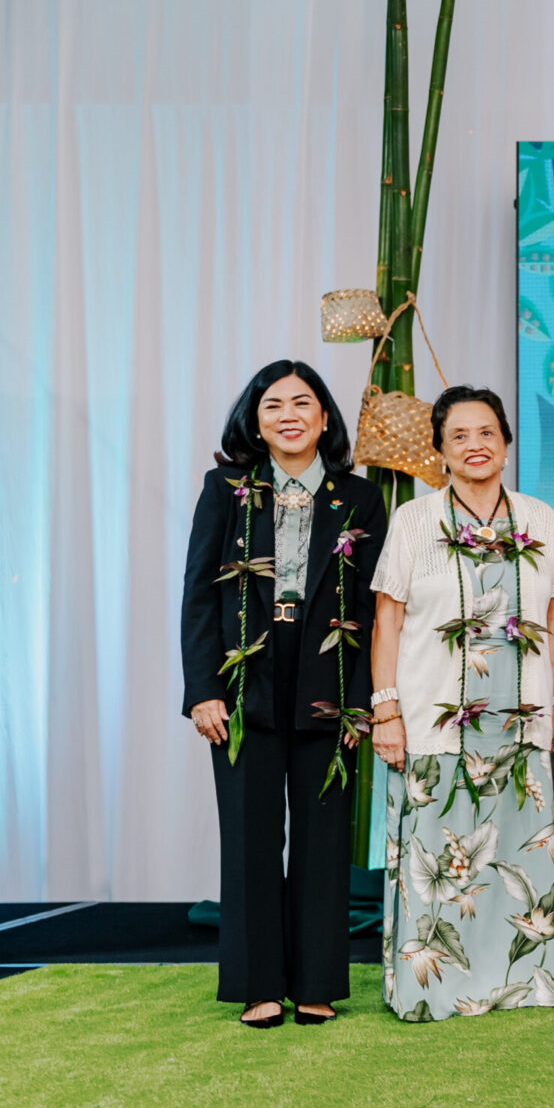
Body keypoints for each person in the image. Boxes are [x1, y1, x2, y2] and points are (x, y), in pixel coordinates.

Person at [181, 360, 386, 1028]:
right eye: (274, 405)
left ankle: (317, 981)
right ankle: (258, 983)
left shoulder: (358, 497)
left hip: (329, 675)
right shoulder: (227, 488)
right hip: (248, 676)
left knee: (324, 839)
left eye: (304, 402)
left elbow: (373, 610)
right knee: (249, 834)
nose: (290, 414)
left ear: (325, 417)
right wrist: (202, 690)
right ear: (255, 419)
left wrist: (364, 700)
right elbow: (199, 597)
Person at [369, 386, 554, 1022]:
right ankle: (428, 990)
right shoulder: (413, 520)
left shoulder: (538, 517)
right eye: (458, 436)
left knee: (517, 855)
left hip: (523, 719)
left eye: (487, 433)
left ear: (507, 445)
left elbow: (553, 617)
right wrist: (386, 710)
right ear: (440, 452)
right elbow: (387, 621)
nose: (475, 445)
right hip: (434, 719)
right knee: (437, 860)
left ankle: (518, 982)